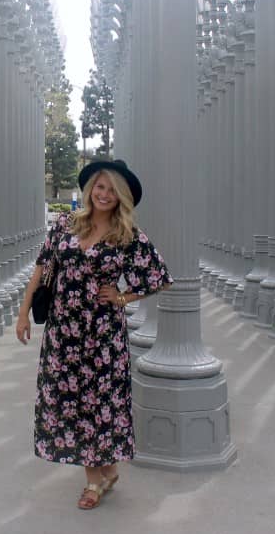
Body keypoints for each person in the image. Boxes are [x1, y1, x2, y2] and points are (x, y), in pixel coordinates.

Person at [16, 159, 172, 511]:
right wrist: (23, 313)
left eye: (112, 191)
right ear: (90, 190)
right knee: (71, 401)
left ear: (121, 198)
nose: (104, 195)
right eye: (100, 187)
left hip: (103, 335)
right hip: (63, 332)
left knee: (100, 403)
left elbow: (158, 276)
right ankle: (106, 469)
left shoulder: (126, 234)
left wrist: (121, 297)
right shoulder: (64, 225)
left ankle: (92, 482)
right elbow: (41, 268)